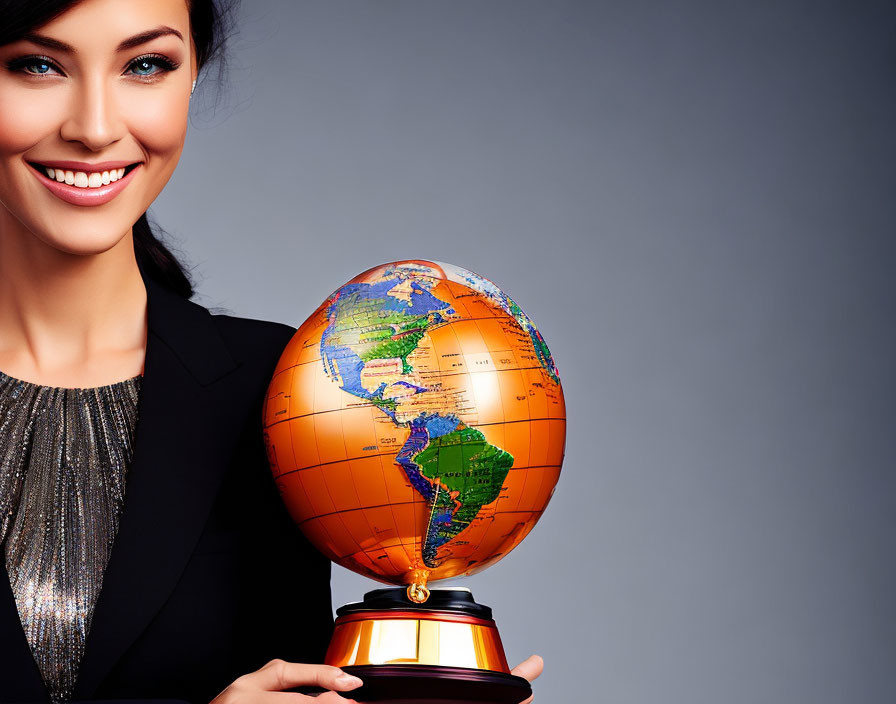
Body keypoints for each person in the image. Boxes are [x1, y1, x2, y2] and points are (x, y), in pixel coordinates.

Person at [0, 0, 543, 702]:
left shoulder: (286, 394)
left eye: (145, 65)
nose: (95, 127)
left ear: (192, 74)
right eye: (37, 65)